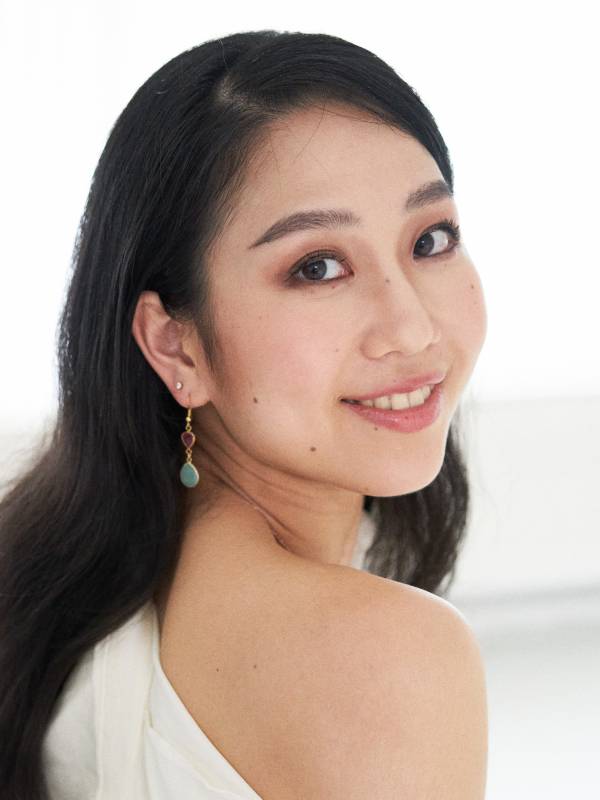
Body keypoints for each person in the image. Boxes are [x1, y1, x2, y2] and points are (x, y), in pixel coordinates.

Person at [0, 30, 488, 799]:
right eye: (317, 267)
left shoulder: (63, 590)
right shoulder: (385, 657)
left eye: (430, 239)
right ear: (177, 343)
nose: (411, 328)